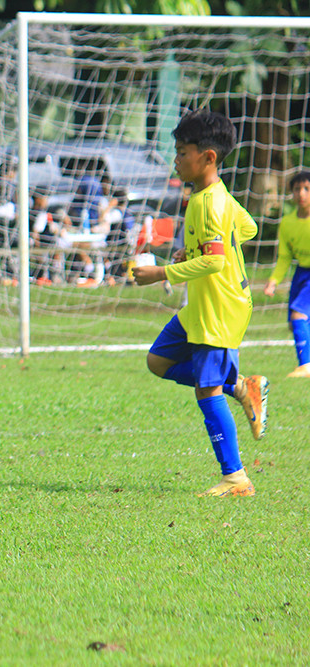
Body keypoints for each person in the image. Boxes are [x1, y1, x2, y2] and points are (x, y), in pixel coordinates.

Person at [133, 110, 268, 498]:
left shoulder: (209, 204)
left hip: (218, 310)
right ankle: (242, 386)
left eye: (181, 151)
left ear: (207, 157)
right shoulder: (214, 196)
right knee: (157, 361)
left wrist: (160, 273)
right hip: (201, 306)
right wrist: (192, 251)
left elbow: (215, 260)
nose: (176, 158)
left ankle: (236, 478)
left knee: (206, 392)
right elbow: (248, 228)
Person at [263, 170, 310, 378]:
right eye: (297, 189)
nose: (301, 193)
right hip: (301, 273)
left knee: (298, 314)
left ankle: (306, 365)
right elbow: (284, 258)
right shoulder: (288, 222)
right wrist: (273, 281)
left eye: (307, 189)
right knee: (294, 324)